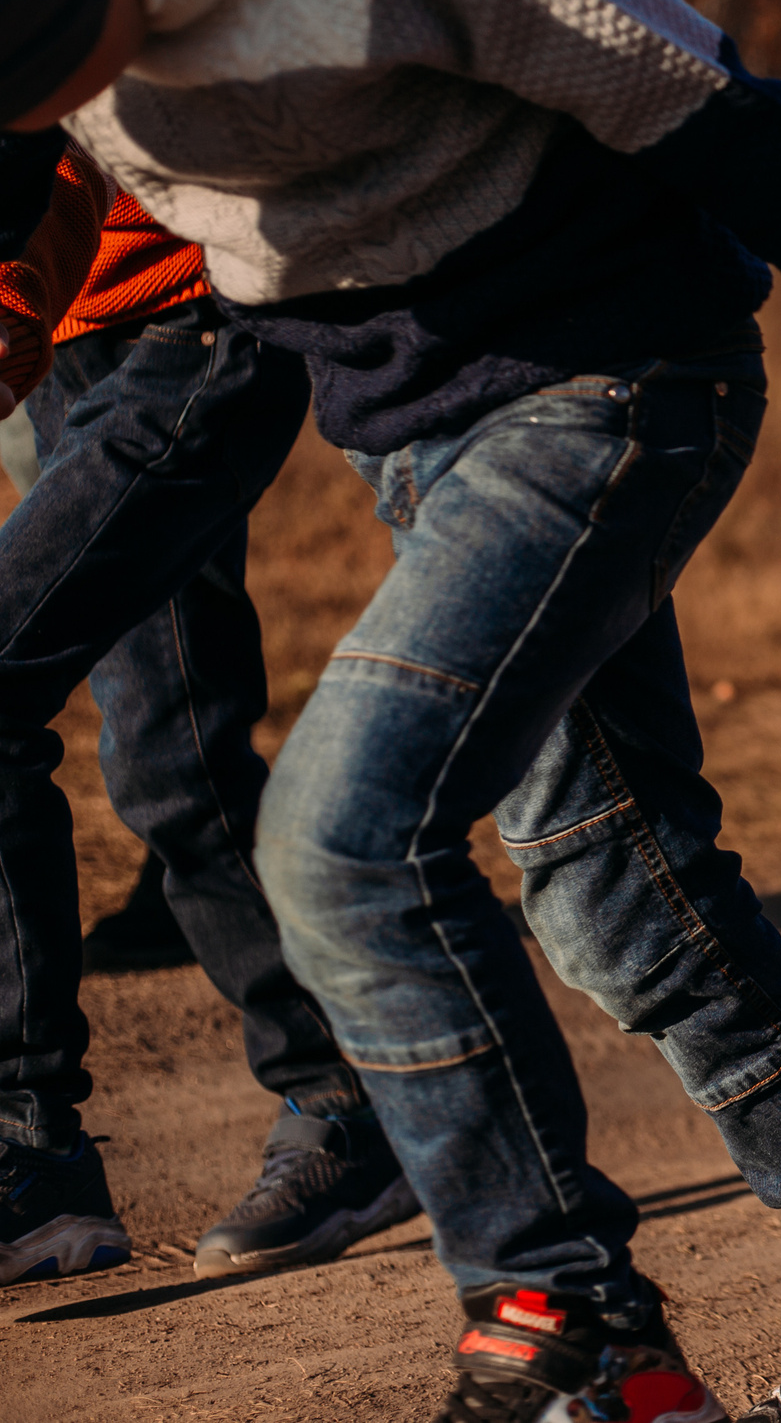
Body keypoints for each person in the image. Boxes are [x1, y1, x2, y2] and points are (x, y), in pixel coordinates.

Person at [0, 0, 781, 1419]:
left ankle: (567, 1332)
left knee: (348, 842)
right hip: (417, 434)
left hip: (614, 381)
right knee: (613, 884)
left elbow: (733, 122)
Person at [0, 145, 423, 1287]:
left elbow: (77, 96)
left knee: (140, 736)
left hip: (197, 313)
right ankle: (338, 1094)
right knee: (170, 748)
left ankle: (32, 1149)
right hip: (68, 338)